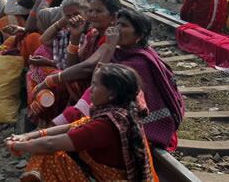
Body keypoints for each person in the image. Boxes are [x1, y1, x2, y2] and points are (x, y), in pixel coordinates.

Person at [51, 10, 185, 150]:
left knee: (76, 114)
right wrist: (75, 36)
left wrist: (110, 47)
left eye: (124, 25)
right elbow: (76, 67)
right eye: (118, 24)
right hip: (112, 107)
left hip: (143, 124)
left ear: (139, 36)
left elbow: (98, 81)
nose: (117, 29)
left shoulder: (138, 63)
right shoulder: (116, 48)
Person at [7, 63, 155, 182]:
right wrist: (28, 137)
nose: (90, 91)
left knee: (48, 157)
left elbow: (50, 144)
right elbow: (72, 127)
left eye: (96, 85)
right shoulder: (118, 113)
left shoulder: (107, 125)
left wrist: (20, 145)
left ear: (112, 94)